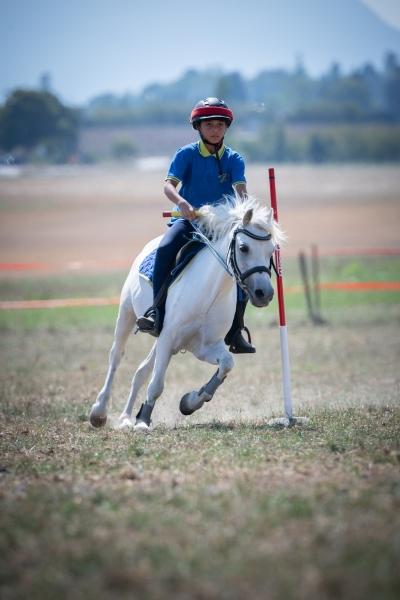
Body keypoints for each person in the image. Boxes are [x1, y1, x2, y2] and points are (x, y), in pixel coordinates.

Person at [137, 97, 255, 353]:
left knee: (241, 264)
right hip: (189, 222)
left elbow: (241, 191)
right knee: (167, 248)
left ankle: (236, 331)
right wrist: (182, 204)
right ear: (198, 127)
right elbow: (168, 186)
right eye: (209, 124)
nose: (215, 129)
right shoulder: (186, 154)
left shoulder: (235, 159)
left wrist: (246, 212)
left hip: (222, 227)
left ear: (227, 127)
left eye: (220, 125)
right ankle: (156, 312)